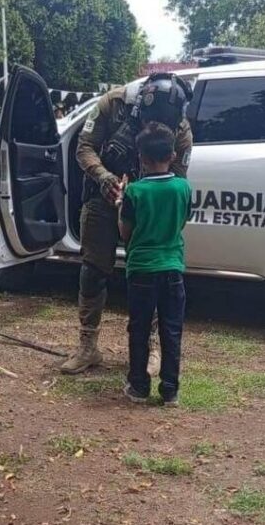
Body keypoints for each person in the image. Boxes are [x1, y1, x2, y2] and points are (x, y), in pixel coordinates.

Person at [59, 72, 193, 375]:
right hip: (102, 197)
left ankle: (152, 348)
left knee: (154, 273)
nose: (154, 129)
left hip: (146, 207)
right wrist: (104, 178)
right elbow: (84, 147)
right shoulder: (114, 103)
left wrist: (150, 201)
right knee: (92, 270)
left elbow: (179, 179)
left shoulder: (181, 129)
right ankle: (88, 346)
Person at [117, 122, 191, 406]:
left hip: (141, 270)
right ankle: (170, 389)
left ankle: (138, 386)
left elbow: (126, 233)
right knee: (171, 329)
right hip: (172, 267)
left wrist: (119, 204)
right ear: (172, 155)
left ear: (141, 158)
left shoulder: (135, 192)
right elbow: (181, 223)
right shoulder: (183, 188)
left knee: (139, 328)